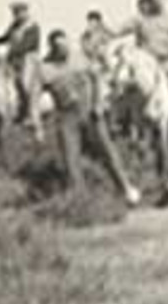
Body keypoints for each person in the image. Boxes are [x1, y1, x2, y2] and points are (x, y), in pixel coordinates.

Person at [39, 29, 141, 206]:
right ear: (52, 48)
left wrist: (98, 104)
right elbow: (35, 96)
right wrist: (37, 122)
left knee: (108, 152)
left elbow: (96, 80)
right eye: (59, 46)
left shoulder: (80, 58)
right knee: (71, 160)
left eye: (66, 44)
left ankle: (125, 189)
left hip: (90, 112)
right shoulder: (45, 68)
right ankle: (81, 200)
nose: (64, 49)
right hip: (66, 116)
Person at [115, 0, 168, 134]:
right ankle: (123, 120)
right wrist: (107, 31)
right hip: (146, 64)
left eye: (161, 1)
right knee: (126, 85)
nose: (159, 4)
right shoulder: (140, 20)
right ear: (150, 2)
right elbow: (120, 30)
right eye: (155, 1)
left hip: (166, 63)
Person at [0, 1, 43, 124]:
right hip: (15, 59)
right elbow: (6, 37)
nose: (17, 15)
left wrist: (13, 51)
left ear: (25, 12)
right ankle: (16, 111)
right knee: (11, 82)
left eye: (19, 12)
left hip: (29, 58)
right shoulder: (14, 26)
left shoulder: (32, 27)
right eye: (15, 13)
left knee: (25, 84)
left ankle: (29, 113)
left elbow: (29, 45)